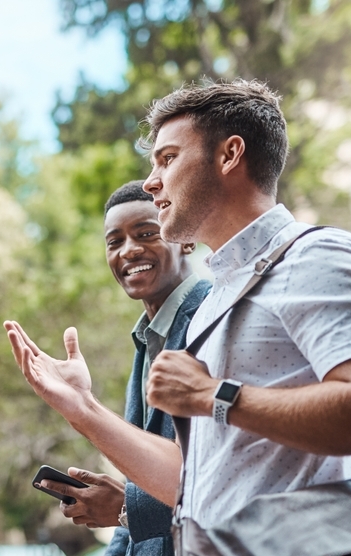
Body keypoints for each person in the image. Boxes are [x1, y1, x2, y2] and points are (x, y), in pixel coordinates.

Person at [5, 79, 351, 532]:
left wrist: (210, 396)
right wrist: (82, 408)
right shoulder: (217, 301)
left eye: (168, 159)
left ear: (229, 155)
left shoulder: (320, 254)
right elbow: (189, 484)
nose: (152, 182)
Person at [35, 181, 209, 556]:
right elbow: (138, 485)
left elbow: (209, 474)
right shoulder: (146, 339)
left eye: (146, 233)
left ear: (186, 239)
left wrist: (125, 508)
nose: (129, 251)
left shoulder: (212, 318)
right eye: (114, 242)